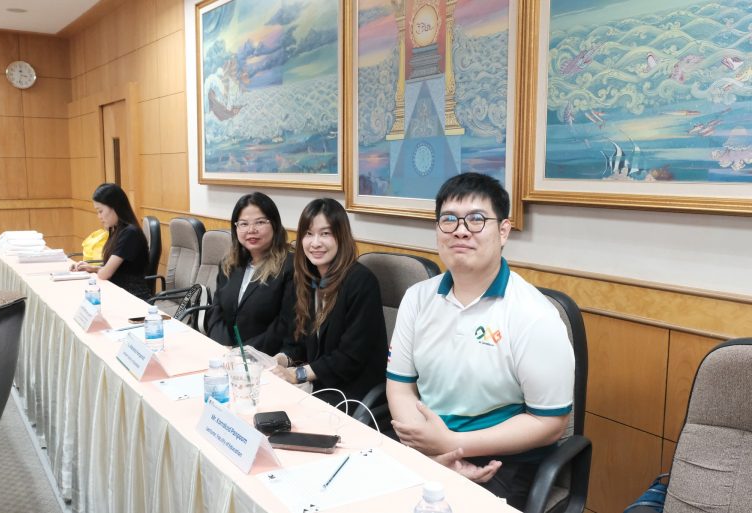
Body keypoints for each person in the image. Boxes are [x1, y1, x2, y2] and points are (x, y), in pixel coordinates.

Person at [386, 173, 575, 510]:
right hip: (428, 443)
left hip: (501, 459)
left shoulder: (534, 315)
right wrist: (432, 450)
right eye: (449, 220)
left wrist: (454, 444)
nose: (461, 230)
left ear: (503, 231)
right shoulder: (417, 298)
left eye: (476, 219)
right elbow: (400, 388)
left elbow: (549, 424)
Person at [270, 198, 387, 403]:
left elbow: (349, 358)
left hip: (351, 393)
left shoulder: (361, 281)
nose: (315, 243)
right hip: (319, 384)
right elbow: (297, 342)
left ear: (342, 237)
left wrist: (297, 374)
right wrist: (279, 361)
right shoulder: (306, 279)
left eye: (325, 234)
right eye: (308, 234)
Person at [205, 192, 293, 355]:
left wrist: (242, 352)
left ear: (275, 224)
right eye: (244, 224)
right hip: (226, 355)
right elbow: (216, 310)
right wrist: (223, 346)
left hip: (265, 357)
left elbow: (284, 324)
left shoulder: (289, 266)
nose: (251, 230)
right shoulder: (228, 263)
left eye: (260, 222)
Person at [71, 183, 150, 300]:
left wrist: (98, 270)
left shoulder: (130, 233)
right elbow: (114, 270)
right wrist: (92, 268)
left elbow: (105, 274)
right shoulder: (117, 230)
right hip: (118, 291)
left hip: (133, 297)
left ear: (115, 207)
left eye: (100, 211)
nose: (99, 216)